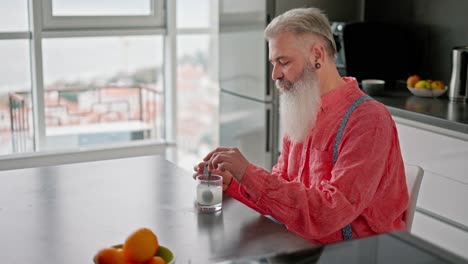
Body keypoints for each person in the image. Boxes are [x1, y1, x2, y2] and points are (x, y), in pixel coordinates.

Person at [194, 7, 409, 244]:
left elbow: (330, 212)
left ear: (317, 55)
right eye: (273, 63)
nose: (275, 74)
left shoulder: (368, 120)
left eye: (283, 62)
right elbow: (282, 192)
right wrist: (235, 181)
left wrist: (248, 172)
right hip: (300, 244)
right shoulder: (302, 107)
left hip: (358, 253)